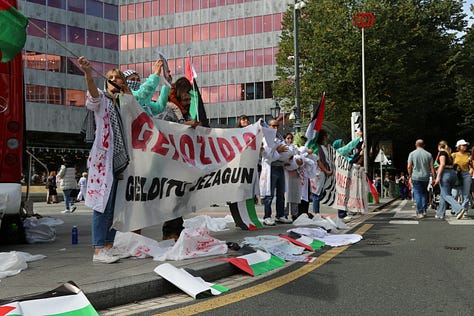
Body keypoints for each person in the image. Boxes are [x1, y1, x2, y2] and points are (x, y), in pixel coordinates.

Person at [78, 56, 133, 263]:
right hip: (104, 159)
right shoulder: (101, 98)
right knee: (102, 204)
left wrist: (128, 94)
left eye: (118, 77)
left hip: (119, 159)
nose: (115, 80)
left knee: (116, 206)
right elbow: (92, 92)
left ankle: (109, 244)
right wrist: (88, 73)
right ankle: (99, 248)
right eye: (111, 77)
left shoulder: (123, 102)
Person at [157, 76, 202, 239]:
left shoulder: (183, 111)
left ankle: (176, 228)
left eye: (189, 99)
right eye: (186, 98)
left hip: (180, 160)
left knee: (180, 197)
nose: (188, 101)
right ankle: (170, 231)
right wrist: (185, 127)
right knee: (173, 197)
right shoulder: (169, 109)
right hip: (169, 160)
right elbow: (164, 129)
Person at [259, 119, 292, 225]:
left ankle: (280, 215)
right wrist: (278, 151)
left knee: (281, 193)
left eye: (277, 125)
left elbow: (287, 151)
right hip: (271, 169)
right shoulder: (265, 139)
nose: (275, 128)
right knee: (269, 194)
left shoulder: (280, 138)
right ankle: (267, 216)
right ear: (268, 126)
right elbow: (267, 156)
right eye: (273, 126)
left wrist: (282, 154)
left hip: (280, 168)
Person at [331, 132, 364, 220]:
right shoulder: (338, 152)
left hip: (346, 176)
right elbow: (349, 147)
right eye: (342, 144)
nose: (344, 145)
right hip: (340, 177)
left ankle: (345, 212)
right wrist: (358, 138)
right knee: (342, 194)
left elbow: (353, 158)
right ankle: (342, 214)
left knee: (346, 195)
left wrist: (361, 150)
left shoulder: (345, 155)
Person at [433, 140, 467, 220]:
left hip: (445, 174)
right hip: (452, 174)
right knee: (443, 194)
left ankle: (459, 208)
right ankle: (440, 213)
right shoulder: (449, 154)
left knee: (445, 195)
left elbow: (442, 164)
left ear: (439, 146)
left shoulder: (442, 153)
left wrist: (438, 177)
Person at [407, 139, 435, 219]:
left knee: (417, 193)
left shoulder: (412, 154)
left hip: (415, 176)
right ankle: (424, 210)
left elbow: (409, 166)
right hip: (425, 177)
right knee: (424, 193)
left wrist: (410, 175)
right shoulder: (428, 154)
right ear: (424, 145)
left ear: (416, 145)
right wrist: (433, 177)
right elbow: (432, 167)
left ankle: (420, 212)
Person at [310, 129, 333, 215]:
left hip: (321, 174)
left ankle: (316, 212)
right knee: (316, 194)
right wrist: (326, 171)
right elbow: (319, 161)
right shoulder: (317, 148)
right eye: (325, 136)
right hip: (318, 173)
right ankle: (316, 213)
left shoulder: (322, 147)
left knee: (318, 194)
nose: (326, 138)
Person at [451, 139, 472, 212]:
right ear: (459, 146)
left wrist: (471, 169)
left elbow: (471, 165)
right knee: (455, 194)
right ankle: (455, 209)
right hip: (456, 175)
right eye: (463, 145)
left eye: (466, 145)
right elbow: (449, 164)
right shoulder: (454, 155)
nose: (465, 146)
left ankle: (463, 209)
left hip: (466, 174)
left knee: (465, 194)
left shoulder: (468, 155)